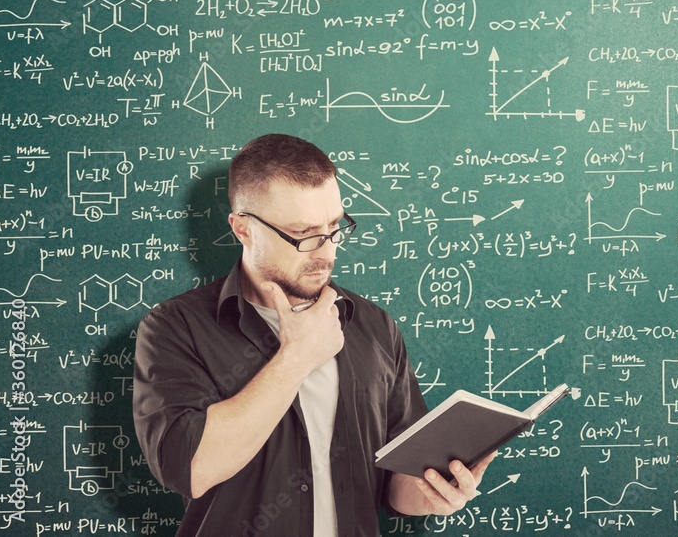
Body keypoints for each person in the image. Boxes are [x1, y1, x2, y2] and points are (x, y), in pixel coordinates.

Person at [132, 134, 494, 536]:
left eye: (335, 227)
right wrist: (297, 357)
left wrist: (431, 495)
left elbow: (396, 483)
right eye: (304, 234)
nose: (326, 252)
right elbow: (190, 469)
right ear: (243, 229)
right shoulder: (175, 328)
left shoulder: (373, 326)